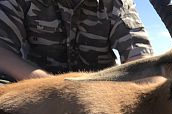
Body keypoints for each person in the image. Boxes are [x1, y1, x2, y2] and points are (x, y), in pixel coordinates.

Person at [0, 0, 153, 82]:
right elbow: (3, 51)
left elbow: (142, 61)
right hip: (33, 90)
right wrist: (56, 88)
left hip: (100, 99)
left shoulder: (117, 2)